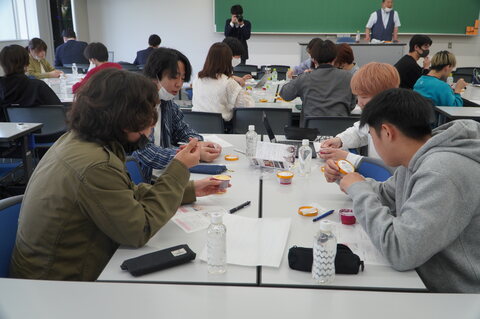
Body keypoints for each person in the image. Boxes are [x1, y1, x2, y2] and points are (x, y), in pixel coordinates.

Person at [9, 68, 226, 281]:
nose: (150, 127)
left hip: (52, 273)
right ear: (123, 117)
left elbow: (124, 194)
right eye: (147, 116)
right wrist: (179, 168)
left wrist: (189, 189)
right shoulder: (95, 164)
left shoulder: (80, 140)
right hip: (56, 286)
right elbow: (140, 229)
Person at [323, 88, 480, 293]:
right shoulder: (417, 159)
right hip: (421, 276)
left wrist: (359, 189)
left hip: (452, 295)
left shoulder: (441, 172)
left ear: (387, 132)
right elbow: (386, 195)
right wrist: (345, 178)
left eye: (372, 135)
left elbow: (401, 251)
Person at [134, 48, 222, 181]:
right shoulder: (137, 105)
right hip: (145, 181)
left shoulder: (167, 102)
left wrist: (196, 144)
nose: (179, 84)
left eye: (182, 78)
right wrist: (192, 154)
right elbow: (145, 153)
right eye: (174, 77)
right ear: (155, 75)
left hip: (166, 174)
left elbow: (184, 130)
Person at [319, 63, 400, 166]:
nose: (359, 102)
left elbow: (388, 169)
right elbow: (359, 132)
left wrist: (347, 157)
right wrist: (340, 140)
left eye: (364, 97)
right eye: (358, 96)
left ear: (385, 96)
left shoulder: (398, 126)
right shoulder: (376, 116)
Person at [279, 39, 356, 124]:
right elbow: (352, 105)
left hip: (310, 133)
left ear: (313, 60)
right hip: (340, 133)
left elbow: (285, 94)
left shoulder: (305, 78)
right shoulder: (348, 77)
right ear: (335, 58)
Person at [192, 42, 254, 124]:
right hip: (221, 129)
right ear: (228, 60)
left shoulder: (197, 78)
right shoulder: (228, 82)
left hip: (196, 127)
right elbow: (246, 107)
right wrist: (242, 90)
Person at [0, 44, 61, 109]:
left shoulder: (2, 87)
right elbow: (58, 110)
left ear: (2, 64)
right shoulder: (38, 86)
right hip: (39, 119)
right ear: (26, 64)